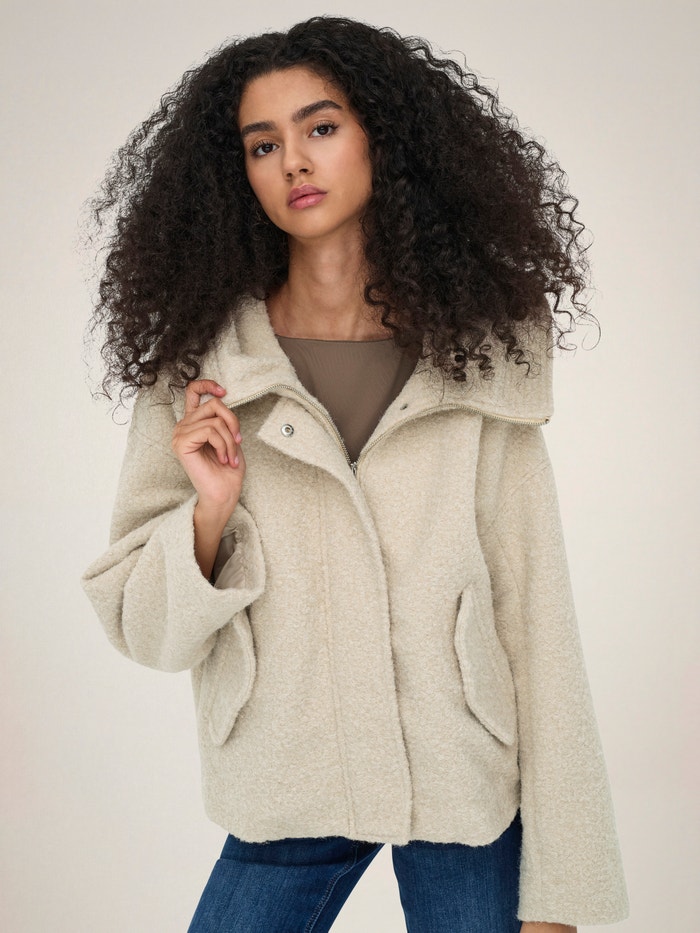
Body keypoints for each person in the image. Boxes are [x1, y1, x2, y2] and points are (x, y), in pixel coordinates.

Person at [82, 15, 629, 932]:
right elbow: (145, 631)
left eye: (322, 127)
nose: (294, 161)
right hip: (285, 777)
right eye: (263, 144)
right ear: (236, 173)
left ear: (387, 138)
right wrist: (208, 514)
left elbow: (537, 615)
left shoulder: (477, 355)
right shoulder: (202, 366)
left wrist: (561, 889)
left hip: (462, 784)